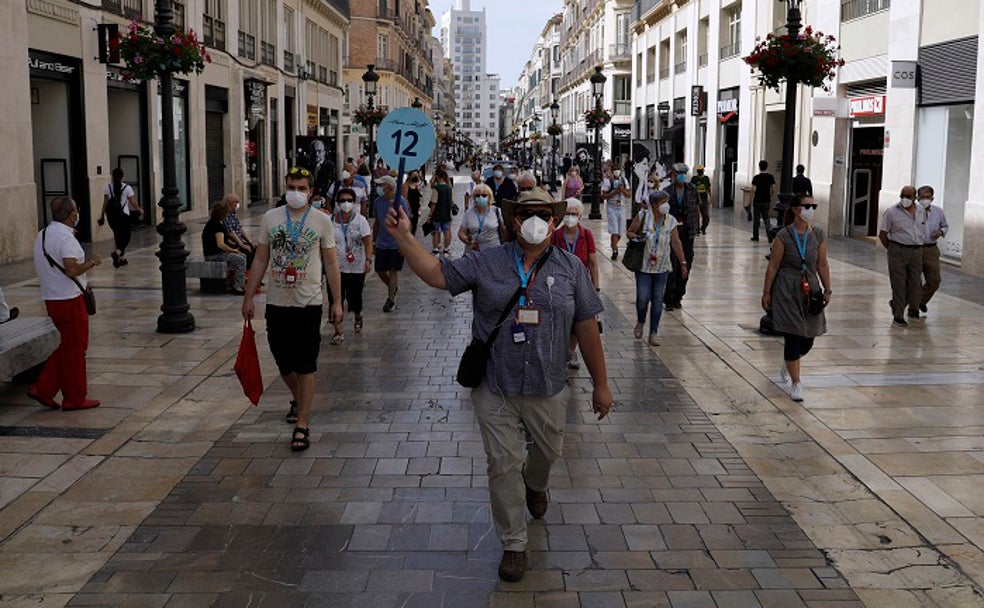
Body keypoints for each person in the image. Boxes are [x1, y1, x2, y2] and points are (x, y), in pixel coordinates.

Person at [383, 187, 612, 583]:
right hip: (495, 384)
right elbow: (439, 275)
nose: (535, 221)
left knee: (549, 449)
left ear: (554, 220)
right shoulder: (488, 262)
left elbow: (587, 327)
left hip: (548, 384)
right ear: (513, 220)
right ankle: (513, 543)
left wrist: (601, 385)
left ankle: (536, 484)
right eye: (527, 214)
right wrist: (404, 238)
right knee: (502, 464)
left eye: (544, 213)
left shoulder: (571, 269)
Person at [242, 167, 343, 451]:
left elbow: (332, 264)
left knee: (305, 364)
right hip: (277, 303)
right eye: (291, 187)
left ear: (311, 191)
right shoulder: (270, 218)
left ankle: (302, 423)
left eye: (301, 188)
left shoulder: (322, 221)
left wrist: (337, 302)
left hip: (308, 303)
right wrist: (249, 297)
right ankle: (300, 397)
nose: (295, 193)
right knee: (283, 362)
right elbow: (261, 260)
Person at [29, 196, 103, 410]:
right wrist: (92, 262)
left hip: (52, 299)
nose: (78, 213)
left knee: (69, 347)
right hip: (69, 300)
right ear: (72, 215)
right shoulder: (66, 238)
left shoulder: (42, 235)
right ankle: (74, 398)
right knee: (76, 350)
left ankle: (43, 389)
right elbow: (71, 269)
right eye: (76, 210)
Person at [762, 196, 831, 402]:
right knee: (793, 334)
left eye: (813, 206)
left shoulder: (818, 234)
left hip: (810, 289)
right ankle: (796, 383)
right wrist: (766, 292)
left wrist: (828, 289)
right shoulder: (784, 235)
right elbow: (773, 265)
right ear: (796, 209)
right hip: (787, 288)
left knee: (808, 336)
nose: (811, 209)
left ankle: (789, 361)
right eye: (807, 206)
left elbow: (823, 264)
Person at [626, 190, 688, 346]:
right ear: (654, 205)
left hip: (662, 268)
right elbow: (630, 232)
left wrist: (683, 263)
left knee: (658, 300)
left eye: (666, 202)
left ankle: (654, 331)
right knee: (642, 298)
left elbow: (676, 242)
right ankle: (641, 321)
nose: (666, 205)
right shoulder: (643, 217)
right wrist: (636, 237)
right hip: (644, 267)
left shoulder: (671, 221)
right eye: (662, 202)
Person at [550, 197, 599, 368]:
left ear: (580, 217)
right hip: (559, 283)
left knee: (577, 320)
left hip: (580, 283)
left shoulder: (586, 235)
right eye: (567, 214)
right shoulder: (556, 235)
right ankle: (559, 350)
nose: (570, 217)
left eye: (574, 214)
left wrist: (595, 286)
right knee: (561, 318)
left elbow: (592, 262)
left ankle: (571, 351)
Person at [327, 188, 373, 344]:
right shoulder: (330, 221)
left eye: (349, 200)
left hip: (356, 267)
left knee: (355, 297)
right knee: (335, 298)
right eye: (342, 200)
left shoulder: (360, 221)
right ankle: (338, 330)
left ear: (354, 202)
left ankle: (358, 314)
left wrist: (368, 259)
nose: (345, 203)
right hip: (335, 268)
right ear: (337, 203)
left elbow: (368, 242)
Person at [879, 186, 925, 327]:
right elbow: (883, 234)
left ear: (915, 197)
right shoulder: (892, 212)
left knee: (915, 283)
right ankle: (898, 315)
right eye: (902, 195)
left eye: (908, 196)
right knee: (898, 284)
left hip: (916, 250)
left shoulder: (921, 210)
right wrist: (893, 249)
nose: (905, 198)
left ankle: (896, 304)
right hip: (898, 249)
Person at [662, 163, 699, 311]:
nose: (682, 176)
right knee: (673, 265)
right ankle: (669, 297)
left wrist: (697, 226)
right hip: (671, 232)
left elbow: (697, 208)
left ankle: (679, 295)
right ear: (673, 175)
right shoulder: (666, 192)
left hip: (687, 232)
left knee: (686, 263)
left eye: (684, 173)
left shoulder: (692, 190)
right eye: (679, 174)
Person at [372, 175, 410, 312]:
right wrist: (373, 241)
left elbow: (407, 222)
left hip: (396, 242)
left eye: (381, 185)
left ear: (388, 186)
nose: (378, 188)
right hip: (381, 242)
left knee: (393, 270)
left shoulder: (399, 201)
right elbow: (377, 222)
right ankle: (393, 287)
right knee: (380, 270)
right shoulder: (377, 202)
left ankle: (391, 299)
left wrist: (404, 243)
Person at [99, 167, 143, 268]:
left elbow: (105, 203)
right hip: (123, 216)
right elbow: (133, 203)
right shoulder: (127, 188)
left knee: (118, 236)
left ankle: (121, 259)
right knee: (126, 237)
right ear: (122, 176)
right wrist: (140, 210)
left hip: (111, 217)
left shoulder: (108, 188)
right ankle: (117, 253)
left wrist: (102, 216)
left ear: (112, 177)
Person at [203, 200, 247, 295]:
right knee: (240, 259)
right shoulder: (217, 225)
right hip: (214, 255)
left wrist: (232, 244)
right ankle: (238, 286)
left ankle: (233, 281)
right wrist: (233, 250)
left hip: (214, 253)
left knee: (242, 256)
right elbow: (220, 244)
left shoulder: (215, 222)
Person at [917, 185, 948, 315]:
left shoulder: (938, 211)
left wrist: (940, 232)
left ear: (932, 198)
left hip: (931, 249)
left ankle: (920, 301)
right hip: (915, 249)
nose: (925, 199)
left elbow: (945, 226)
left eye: (927, 197)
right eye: (922, 197)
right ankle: (912, 306)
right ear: (917, 198)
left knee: (934, 280)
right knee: (914, 281)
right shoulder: (912, 211)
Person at [459, 184, 504, 253]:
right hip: (474, 251)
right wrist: (466, 239)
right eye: (477, 195)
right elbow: (461, 232)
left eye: (484, 195)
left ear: (489, 197)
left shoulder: (497, 211)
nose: (480, 197)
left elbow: (505, 230)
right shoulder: (469, 212)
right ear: (474, 197)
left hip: (493, 250)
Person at [600, 166, 631, 261]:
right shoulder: (608, 181)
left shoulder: (624, 180)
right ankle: (615, 250)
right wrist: (614, 192)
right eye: (615, 170)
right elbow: (603, 196)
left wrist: (622, 190)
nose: (617, 172)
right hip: (612, 208)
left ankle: (613, 244)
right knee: (614, 230)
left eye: (618, 170)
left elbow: (629, 195)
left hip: (622, 208)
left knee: (620, 232)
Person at [221, 193, 255, 268]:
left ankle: (252, 271)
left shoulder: (233, 213)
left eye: (237, 202)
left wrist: (249, 241)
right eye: (235, 202)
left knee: (254, 248)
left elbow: (239, 228)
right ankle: (246, 273)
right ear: (229, 203)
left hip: (238, 240)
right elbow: (231, 233)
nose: (237, 204)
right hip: (231, 242)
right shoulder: (225, 215)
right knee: (246, 252)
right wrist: (242, 244)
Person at [427, 168, 455, 256]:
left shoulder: (437, 188)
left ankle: (436, 249)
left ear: (437, 177)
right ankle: (446, 249)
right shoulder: (449, 187)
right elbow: (452, 201)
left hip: (437, 214)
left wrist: (430, 214)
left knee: (436, 231)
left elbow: (433, 203)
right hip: (446, 214)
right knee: (447, 231)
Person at [751, 160, 776, 242]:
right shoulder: (770, 177)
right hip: (766, 201)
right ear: (767, 167)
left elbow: (753, 190)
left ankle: (755, 236)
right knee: (766, 219)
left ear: (759, 167)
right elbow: (773, 189)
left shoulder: (756, 178)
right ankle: (769, 236)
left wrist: (750, 200)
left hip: (757, 200)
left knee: (756, 219)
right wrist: (770, 196)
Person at [691, 164, 712, 235]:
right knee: (697, 216)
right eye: (699, 170)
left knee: (706, 216)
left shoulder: (706, 178)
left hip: (704, 199)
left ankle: (703, 228)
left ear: (703, 170)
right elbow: (691, 188)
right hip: (696, 199)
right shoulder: (694, 179)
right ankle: (697, 230)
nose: (700, 171)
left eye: (701, 170)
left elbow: (709, 188)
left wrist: (710, 197)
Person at [403, 170, 424, 235]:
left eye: (417, 176)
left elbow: (419, 196)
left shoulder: (415, 185)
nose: (416, 177)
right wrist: (409, 210)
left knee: (414, 225)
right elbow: (405, 199)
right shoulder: (406, 186)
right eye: (414, 175)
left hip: (416, 209)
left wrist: (419, 209)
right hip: (410, 209)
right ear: (409, 176)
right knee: (409, 226)